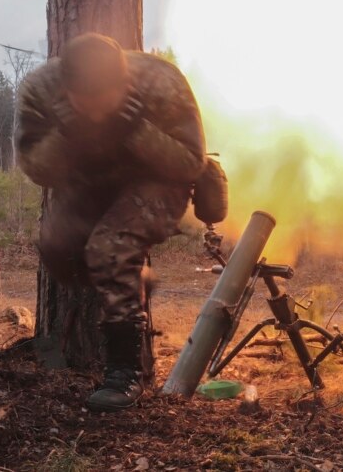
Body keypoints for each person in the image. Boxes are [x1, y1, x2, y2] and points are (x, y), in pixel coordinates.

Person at [15, 32, 207, 411]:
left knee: (110, 248)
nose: (98, 114)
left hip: (159, 180)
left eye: (106, 103)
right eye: (86, 105)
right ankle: (132, 281)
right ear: (66, 91)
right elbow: (38, 169)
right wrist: (69, 135)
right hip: (90, 182)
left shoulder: (160, 82)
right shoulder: (40, 90)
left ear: (125, 84)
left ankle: (125, 373)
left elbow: (190, 163)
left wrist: (135, 129)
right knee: (57, 249)